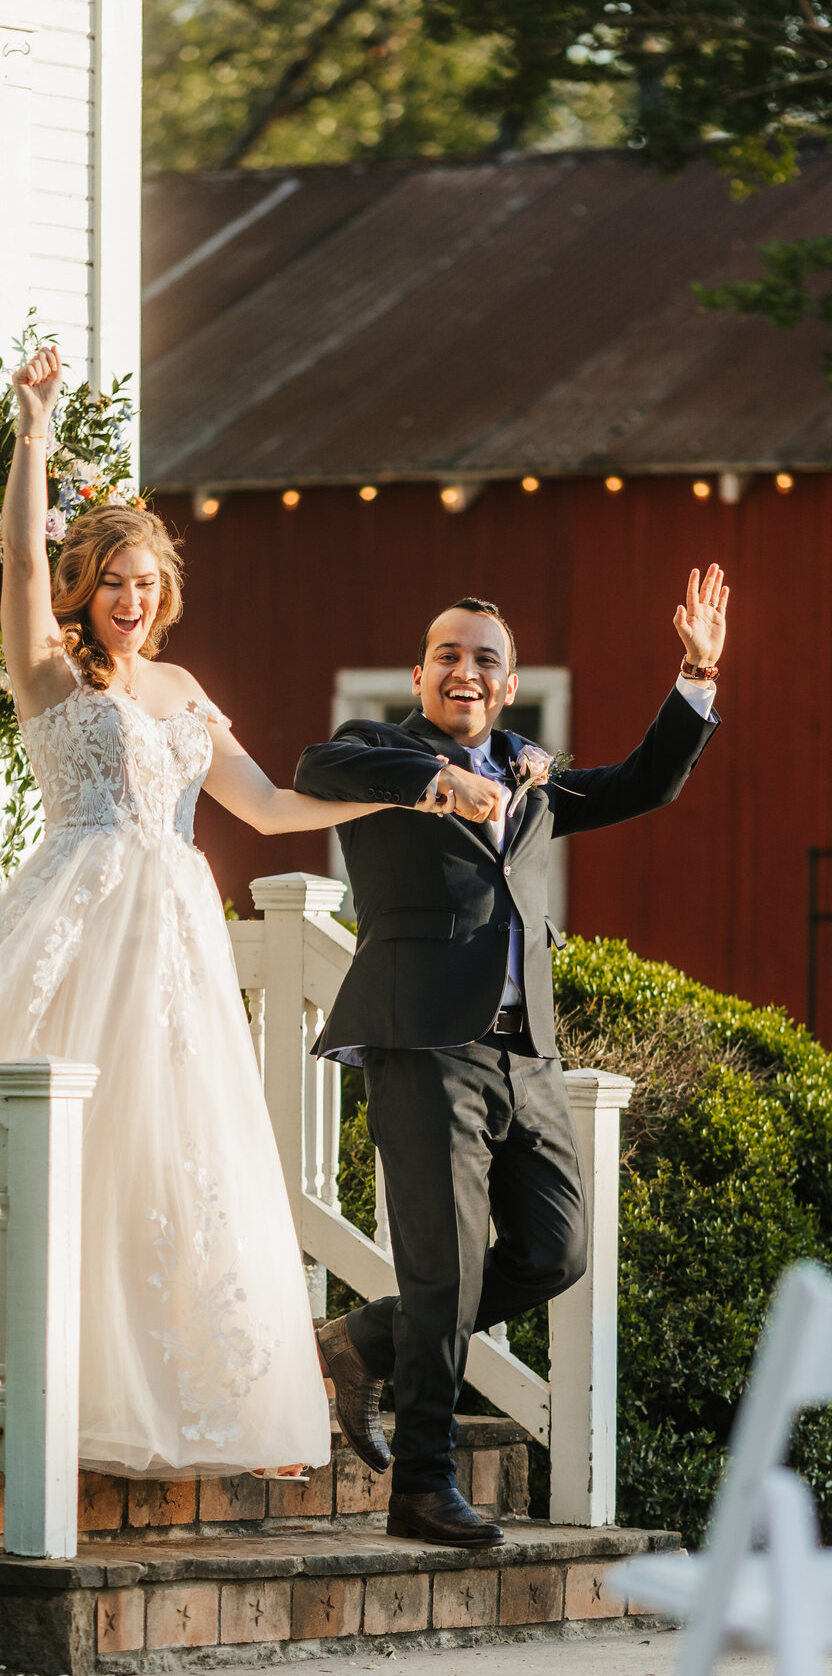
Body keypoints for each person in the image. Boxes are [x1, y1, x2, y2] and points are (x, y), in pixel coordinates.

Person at [0, 341, 389, 1478]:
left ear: (164, 598)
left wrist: (402, 796)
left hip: (174, 940)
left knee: (176, 1150)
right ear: (89, 587)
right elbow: (19, 558)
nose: (129, 597)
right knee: (55, 1128)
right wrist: (32, 432)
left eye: (146, 583)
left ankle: (178, 1392)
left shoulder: (184, 692)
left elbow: (261, 809)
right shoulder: (56, 675)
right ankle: (4, 1363)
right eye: (112, 578)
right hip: (78, 922)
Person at [296, 567, 728, 1545]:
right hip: (423, 1042)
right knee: (442, 1266)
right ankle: (421, 1486)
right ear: (419, 677)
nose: (465, 670)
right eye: (447, 656)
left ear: (507, 683)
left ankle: (360, 1340)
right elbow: (320, 772)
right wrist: (437, 781)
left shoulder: (532, 774)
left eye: (484, 659)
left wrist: (697, 674)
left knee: (557, 1247)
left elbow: (642, 783)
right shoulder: (378, 754)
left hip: (524, 1052)